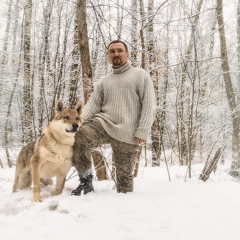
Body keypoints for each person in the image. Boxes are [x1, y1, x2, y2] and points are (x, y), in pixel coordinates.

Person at [71, 40, 156, 195]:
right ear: (109, 56)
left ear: (127, 54)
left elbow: (149, 105)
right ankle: (85, 182)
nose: (116, 54)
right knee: (80, 135)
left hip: (128, 132)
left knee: (125, 185)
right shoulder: (104, 81)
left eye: (119, 51)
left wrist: (142, 130)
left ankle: (122, 209)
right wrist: (77, 123)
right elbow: (92, 106)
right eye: (112, 51)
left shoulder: (140, 75)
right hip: (103, 124)